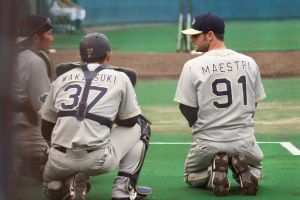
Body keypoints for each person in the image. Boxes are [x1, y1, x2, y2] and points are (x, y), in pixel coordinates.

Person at [41, 32, 152, 200]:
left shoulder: (61, 78)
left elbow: (46, 127)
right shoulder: (120, 77)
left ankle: (60, 182)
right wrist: (105, 117)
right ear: (109, 55)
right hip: (97, 160)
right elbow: (130, 121)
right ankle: (123, 189)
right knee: (142, 124)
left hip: (57, 161)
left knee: (62, 128)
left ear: (80, 56)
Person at [174, 13, 266, 196]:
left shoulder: (193, 65)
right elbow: (253, 105)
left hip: (208, 143)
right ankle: (243, 171)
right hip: (244, 141)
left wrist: (206, 127)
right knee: (257, 169)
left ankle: (214, 172)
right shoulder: (249, 62)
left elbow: (187, 109)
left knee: (190, 175)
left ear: (210, 35)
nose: (192, 39)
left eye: (195, 35)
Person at [12, 15, 54, 181]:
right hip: (22, 132)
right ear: (36, 37)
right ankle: (24, 165)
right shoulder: (34, 61)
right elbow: (43, 107)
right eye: (49, 34)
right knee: (64, 162)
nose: (52, 38)